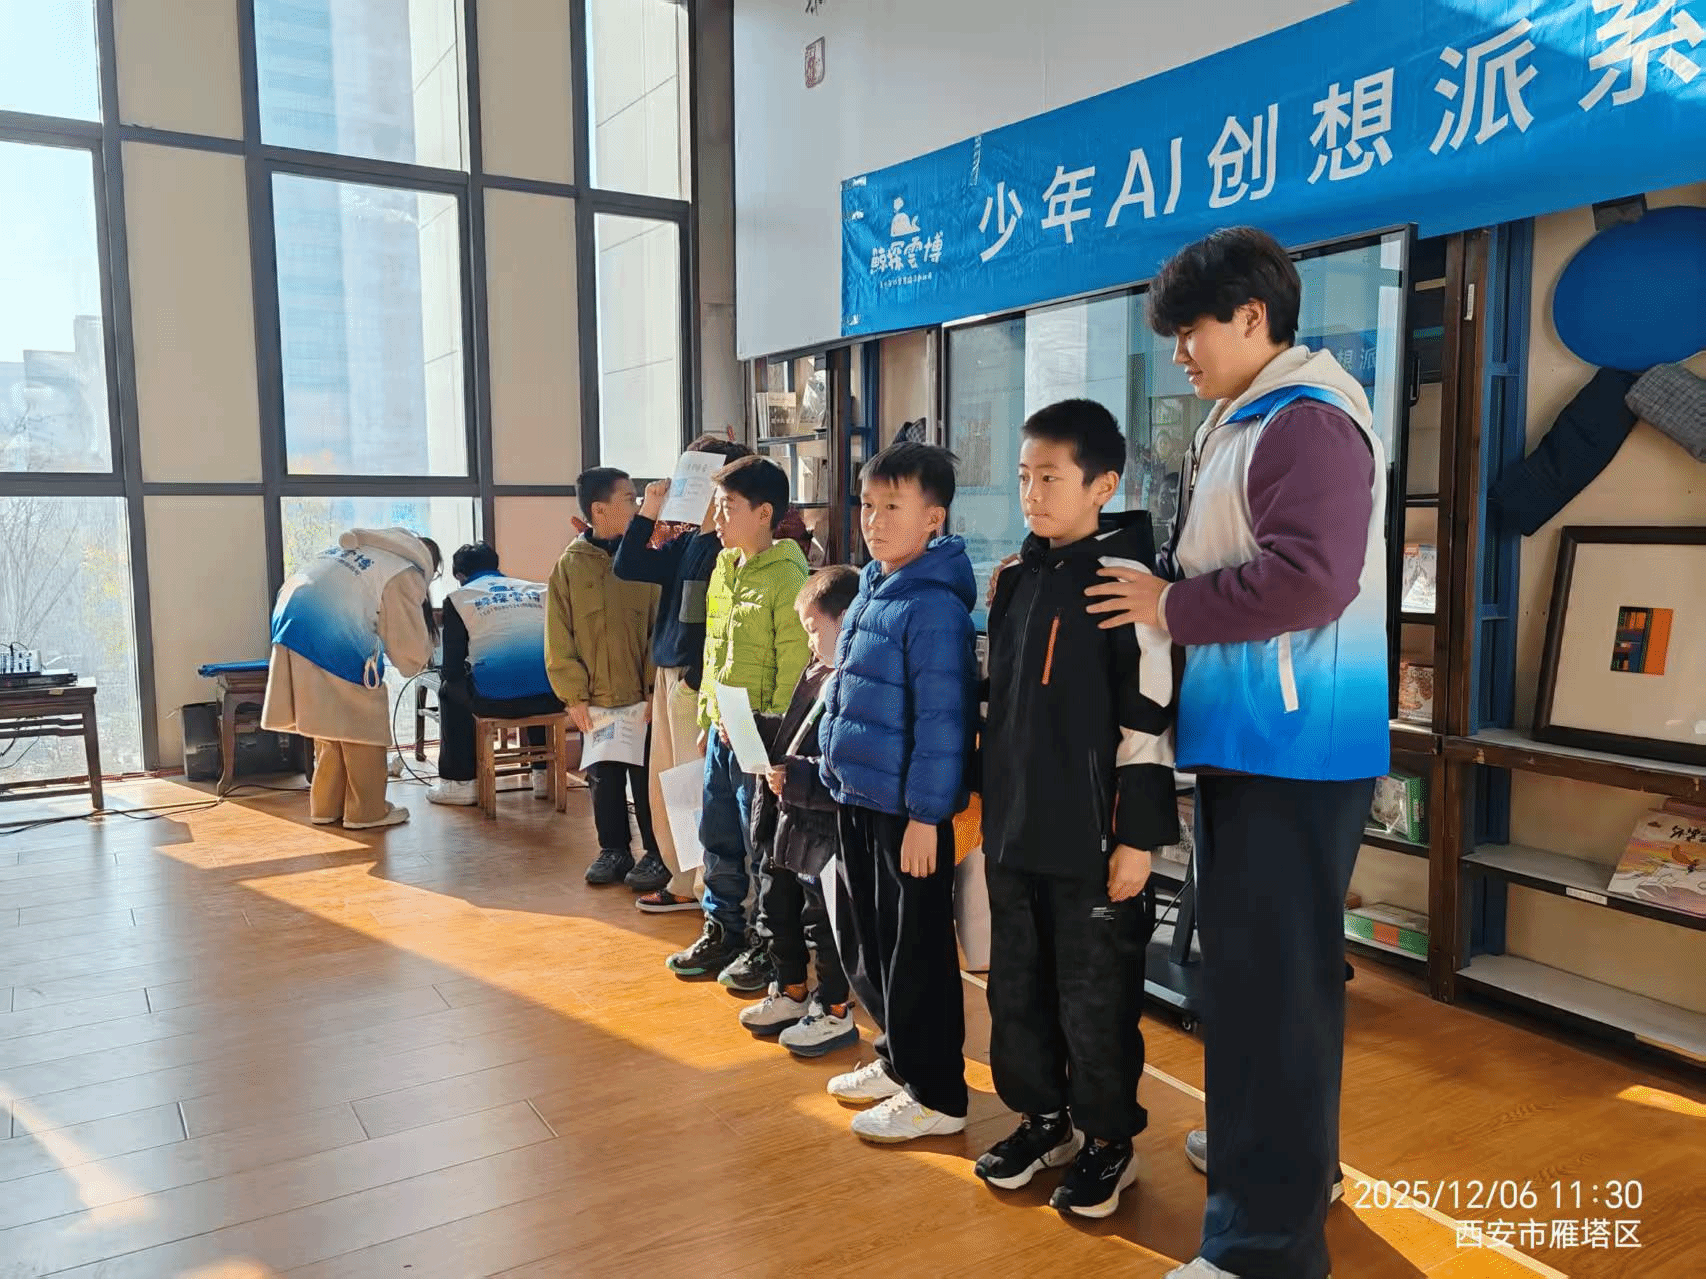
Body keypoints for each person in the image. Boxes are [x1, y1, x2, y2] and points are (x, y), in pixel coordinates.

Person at [1084, 228, 1388, 1279]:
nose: (1178, 351)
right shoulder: (1248, 415)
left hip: (1290, 746)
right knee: (1276, 983)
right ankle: (1289, 1167)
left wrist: (1168, 603)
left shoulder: (1304, 422)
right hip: (1259, 740)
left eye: (1191, 329)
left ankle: (1261, 1245)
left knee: (1268, 991)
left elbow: (1312, 579)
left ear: (1253, 317)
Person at [975, 399, 1178, 1219]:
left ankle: (1108, 1142)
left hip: (1092, 841)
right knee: (1016, 993)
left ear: (1103, 485)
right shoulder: (1017, 579)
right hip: (1014, 832)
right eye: (1025, 477)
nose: (1032, 494)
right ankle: (1044, 1121)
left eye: (1051, 478)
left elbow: (1148, 717)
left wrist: (1137, 839)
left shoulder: (1128, 584)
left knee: (1095, 1002)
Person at [816, 441, 975, 1145]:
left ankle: (938, 1093)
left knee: (918, 956)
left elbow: (944, 723)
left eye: (892, 506)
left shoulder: (934, 605)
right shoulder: (875, 587)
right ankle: (898, 1059)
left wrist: (925, 817)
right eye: (867, 504)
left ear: (933, 518)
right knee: (873, 944)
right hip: (861, 798)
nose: (874, 520)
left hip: (908, 813)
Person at [666, 456, 811, 988]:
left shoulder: (789, 575)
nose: (718, 518)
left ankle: (768, 944)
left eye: (727, 507)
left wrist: (774, 742)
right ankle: (722, 929)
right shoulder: (724, 567)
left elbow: (795, 667)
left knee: (762, 848)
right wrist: (709, 717)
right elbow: (715, 651)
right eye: (717, 505)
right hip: (723, 731)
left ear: (764, 512)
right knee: (718, 834)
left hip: (761, 741)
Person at [614, 435, 755, 908]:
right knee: (670, 783)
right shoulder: (692, 539)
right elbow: (629, 565)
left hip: (694, 679)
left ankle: (702, 884)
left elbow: (720, 624)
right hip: (669, 671)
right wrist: (650, 510)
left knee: (694, 784)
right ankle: (682, 875)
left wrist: (696, 678)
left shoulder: (728, 549)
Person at [738, 565, 861, 1058]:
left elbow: (843, 761)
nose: (810, 641)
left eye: (813, 629)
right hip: (788, 816)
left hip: (821, 826)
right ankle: (791, 991)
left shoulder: (852, 679)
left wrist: (796, 775)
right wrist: (754, 727)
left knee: (823, 922)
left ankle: (834, 1009)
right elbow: (796, 733)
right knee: (778, 906)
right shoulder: (816, 670)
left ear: (844, 619)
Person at [262, 527, 439, 831]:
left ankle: (326, 806)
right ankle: (366, 811)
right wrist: (418, 657)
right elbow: (409, 650)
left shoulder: (359, 552)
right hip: (330, 631)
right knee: (363, 724)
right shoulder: (403, 570)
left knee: (327, 725)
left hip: (288, 626)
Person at [546, 468, 664, 887]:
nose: (637, 506)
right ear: (600, 510)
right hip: (594, 699)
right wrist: (573, 697)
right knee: (603, 779)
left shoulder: (644, 559)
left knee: (647, 780)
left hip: (642, 697)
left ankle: (656, 853)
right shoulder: (570, 566)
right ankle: (613, 850)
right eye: (629, 499)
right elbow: (558, 635)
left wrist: (654, 689)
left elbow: (658, 627)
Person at [427, 542, 562, 808]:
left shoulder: (459, 598)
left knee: (449, 689)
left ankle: (461, 784)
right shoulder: (539, 590)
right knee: (534, 674)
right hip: (551, 699)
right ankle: (543, 777)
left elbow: (452, 668)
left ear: (459, 575)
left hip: (494, 703)